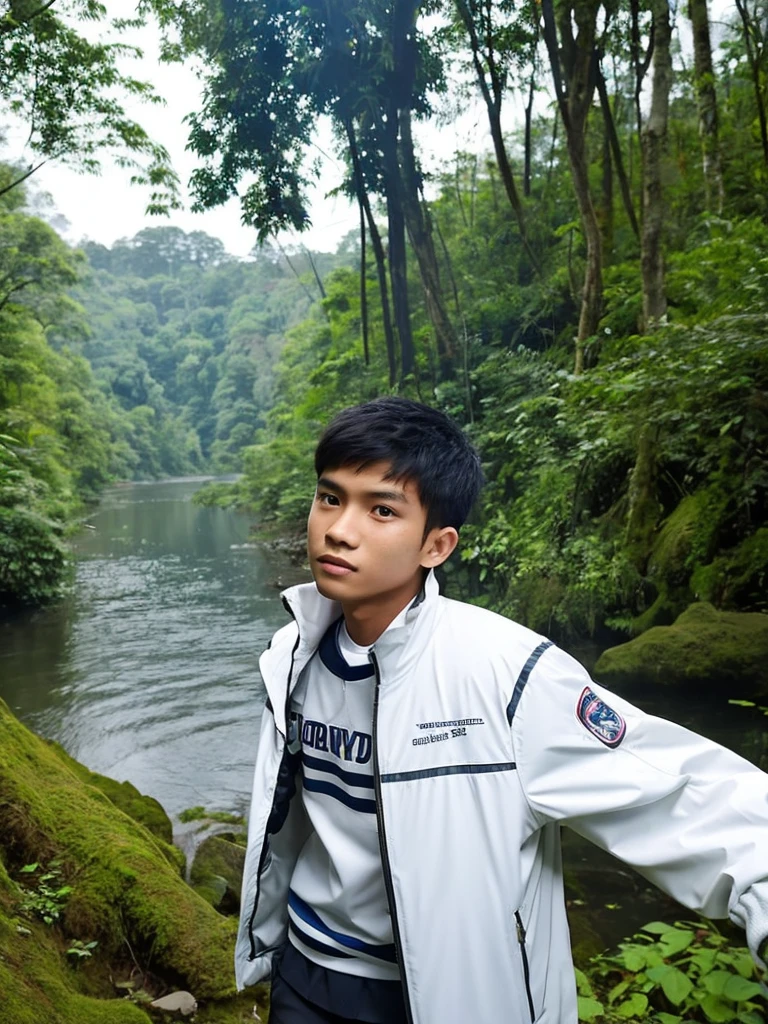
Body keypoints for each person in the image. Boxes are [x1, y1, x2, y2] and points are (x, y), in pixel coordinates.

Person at [235, 396, 768, 1024]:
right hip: (306, 974)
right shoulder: (292, 655)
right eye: (330, 498)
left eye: (381, 509)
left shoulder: (506, 674)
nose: (340, 529)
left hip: (441, 993)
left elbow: (679, 795)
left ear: (437, 544)